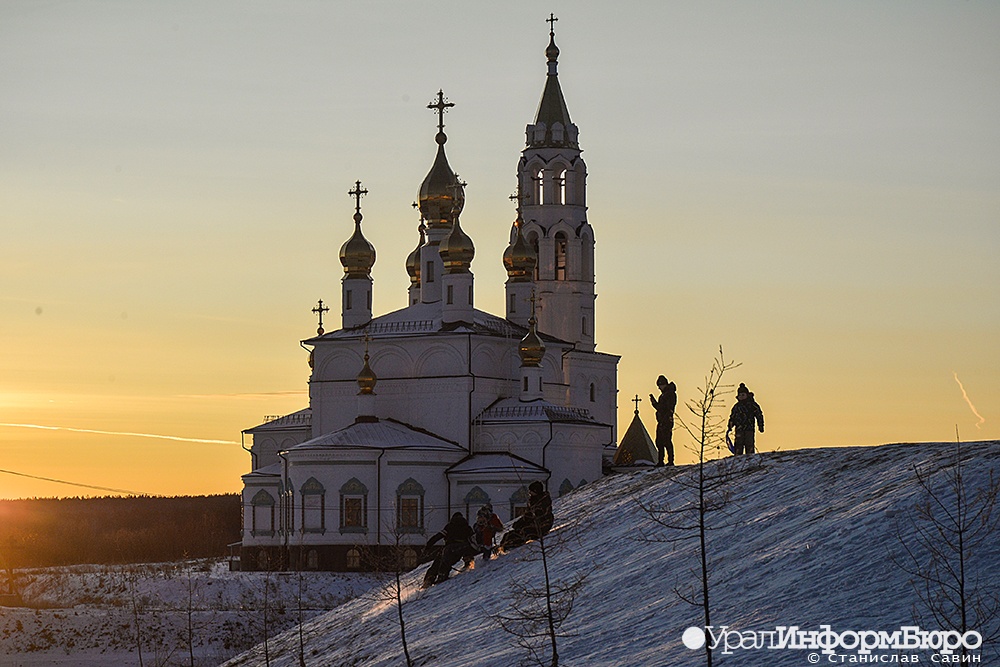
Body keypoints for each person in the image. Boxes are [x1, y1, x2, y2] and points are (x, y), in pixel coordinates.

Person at [423, 512, 477, 587]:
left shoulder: (450, 526)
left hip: (449, 548)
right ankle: (468, 563)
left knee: (439, 562)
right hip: (461, 548)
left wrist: (428, 547)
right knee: (466, 548)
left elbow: (438, 536)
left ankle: (429, 579)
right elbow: (473, 540)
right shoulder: (467, 528)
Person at [499, 481, 553, 551]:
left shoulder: (542, 502)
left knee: (523, 531)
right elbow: (528, 515)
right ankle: (503, 546)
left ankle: (512, 546)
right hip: (534, 523)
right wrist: (519, 522)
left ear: (535, 491)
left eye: (531, 491)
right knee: (509, 534)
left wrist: (523, 522)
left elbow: (534, 516)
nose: (529, 493)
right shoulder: (533, 500)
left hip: (542, 525)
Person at [726, 383, 764, 455]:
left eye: (743, 395)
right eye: (740, 395)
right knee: (738, 446)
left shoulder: (752, 405)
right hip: (739, 429)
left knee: (749, 445)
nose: (741, 397)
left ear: (747, 395)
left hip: (749, 429)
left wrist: (761, 425)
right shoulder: (736, 407)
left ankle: (750, 460)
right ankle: (738, 460)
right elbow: (732, 417)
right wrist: (730, 425)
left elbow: (759, 415)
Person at [649, 375, 677, 466]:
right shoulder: (664, 395)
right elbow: (661, 408)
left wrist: (655, 404)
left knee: (666, 440)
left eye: (660, 386)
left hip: (666, 420)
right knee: (659, 441)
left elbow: (665, 408)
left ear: (663, 384)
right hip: (661, 420)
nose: (659, 388)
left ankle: (670, 461)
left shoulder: (670, 394)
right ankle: (661, 461)